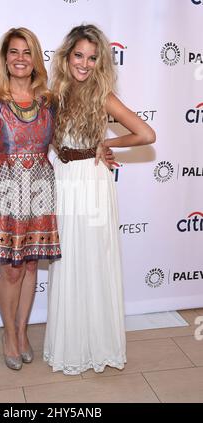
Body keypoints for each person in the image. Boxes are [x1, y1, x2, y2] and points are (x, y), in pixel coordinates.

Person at [44, 24, 156, 375]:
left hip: (91, 182)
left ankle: (97, 344)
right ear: (66, 57)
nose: (85, 63)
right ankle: (72, 342)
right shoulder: (53, 95)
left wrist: (108, 144)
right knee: (67, 260)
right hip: (62, 180)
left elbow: (146, 133)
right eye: (79, 55)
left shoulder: (103, 96)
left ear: (101, 62)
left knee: (92, 258)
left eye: (93, 58)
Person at [0, 27, 63, 370]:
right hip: (3, 193)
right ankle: (8, 334)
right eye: (13, 52)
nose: (20, 58)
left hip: (40, 189)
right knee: (11, 270)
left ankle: (23, 333)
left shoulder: (49, 101)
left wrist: (101, 148)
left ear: (36, 58)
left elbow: (68, 142)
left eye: (27, 52)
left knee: (31, 265)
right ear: (5, 58)